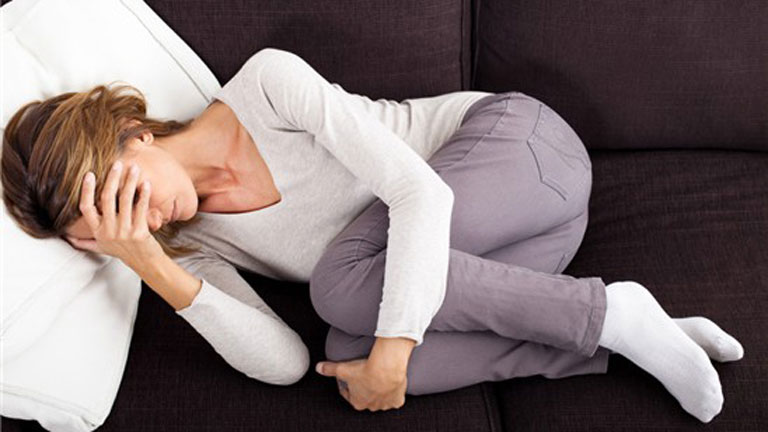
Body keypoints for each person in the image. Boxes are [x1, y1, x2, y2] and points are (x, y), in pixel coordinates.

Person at [1, 47, 743, 423]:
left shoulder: (265, 84)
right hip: (518, 257)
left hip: (526, 153)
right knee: (345, 354)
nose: (145, 223)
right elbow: (286, 365)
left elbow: (420, 192)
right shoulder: (189, 246)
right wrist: (152, 266)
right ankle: (628, 334)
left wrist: (394, 348)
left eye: (127, 197)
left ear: (133, 132)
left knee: (342, 290)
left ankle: (608, 313)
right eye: (116, 230)